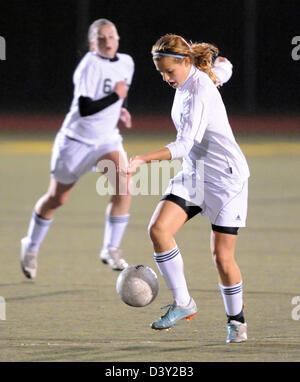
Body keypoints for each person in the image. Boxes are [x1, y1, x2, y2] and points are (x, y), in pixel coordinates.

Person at [128, 34, 250, 343]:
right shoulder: (192, 80)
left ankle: (236, 322)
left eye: (170, 71)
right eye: (161, 73)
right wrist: (221, 67)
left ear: (185, 62)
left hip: (225, 178)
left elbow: (184, 145)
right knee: (158, 230)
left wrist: (143, 158)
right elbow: (224, 67)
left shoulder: (199, 90)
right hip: (195, 174)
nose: (166, 78)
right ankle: (184, 303)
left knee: (222, 257)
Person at [20, 18, 135, 277]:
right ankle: (31, 245)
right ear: (92, 42)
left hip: (107, 139)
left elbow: (118, 95)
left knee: (124, 184)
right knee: (57, 199)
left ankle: (111, 248)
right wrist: (116, 98)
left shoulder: (128, 62)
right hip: (76, 141)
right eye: (101, 38)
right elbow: (85, 108)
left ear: (118, 38)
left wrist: (121, 109)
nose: (107, 42)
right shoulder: (89, 65)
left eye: (111, 36)